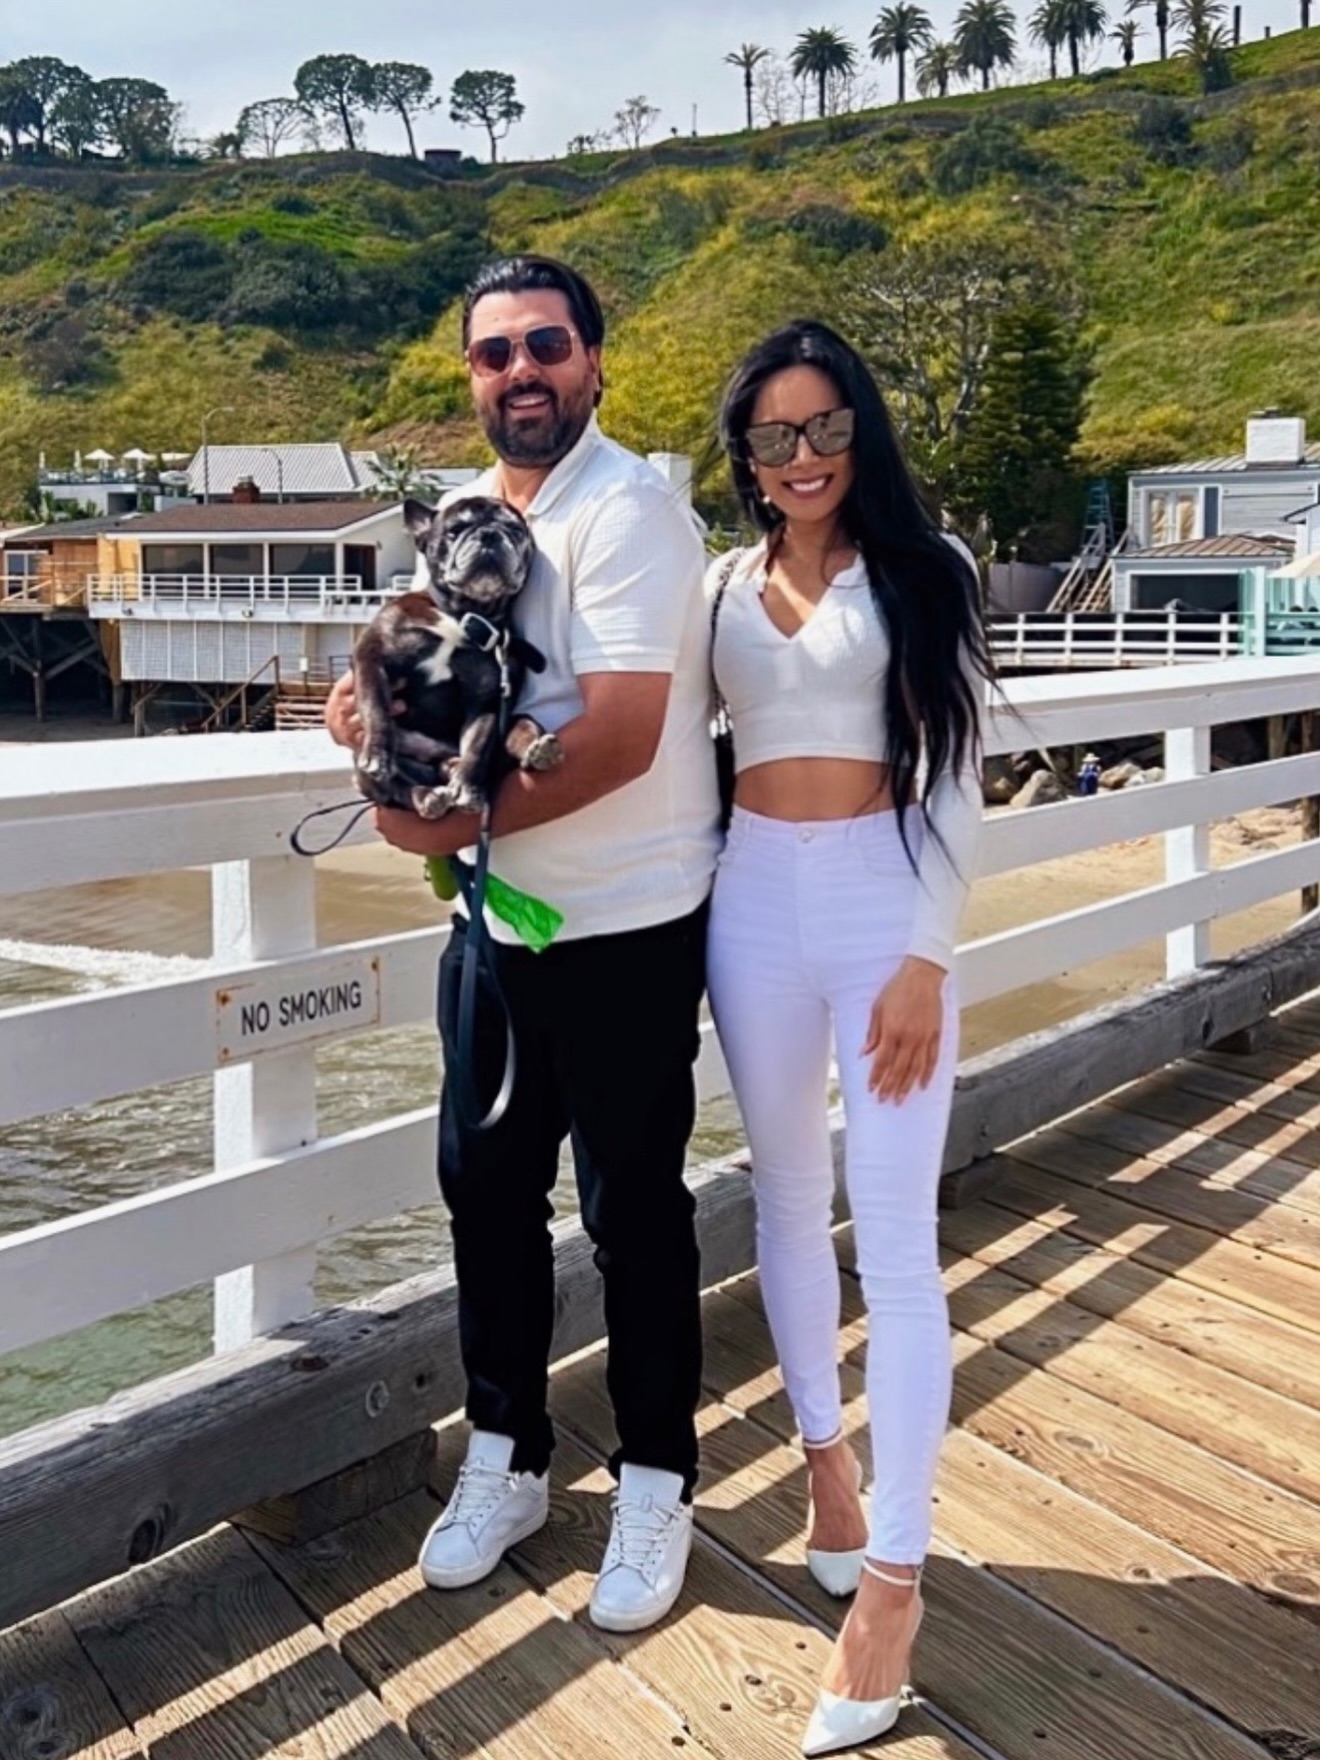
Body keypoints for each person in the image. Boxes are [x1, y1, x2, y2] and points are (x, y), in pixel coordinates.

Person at [324, 255, 720, 1633]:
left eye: (546, 346)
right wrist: (363, 717)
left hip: (624, 926)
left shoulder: (631, 513)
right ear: (472, 378)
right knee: (485, 1194)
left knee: (632, 1211)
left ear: (594, 361)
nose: (522, 372)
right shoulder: (465, 514)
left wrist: (433, 822)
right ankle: (506, 1455)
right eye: (495, 353)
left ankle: (657, 1479)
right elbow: (404, 670)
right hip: (494, 929)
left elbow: (619, 734)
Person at [704, 320, 991, 1756]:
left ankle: (894, 1582)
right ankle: (827, 1468)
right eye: (776, 436)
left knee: (896, 1238)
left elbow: (962, 770)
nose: (804, 456)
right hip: (750, 904)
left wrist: (928, 958)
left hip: (885, 907)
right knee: (785, 1196)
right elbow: (617, 717)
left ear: (860, 434)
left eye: (826, 427)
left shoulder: (928, 573)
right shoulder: (717, 589)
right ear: (747, 458)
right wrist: (383, 686)